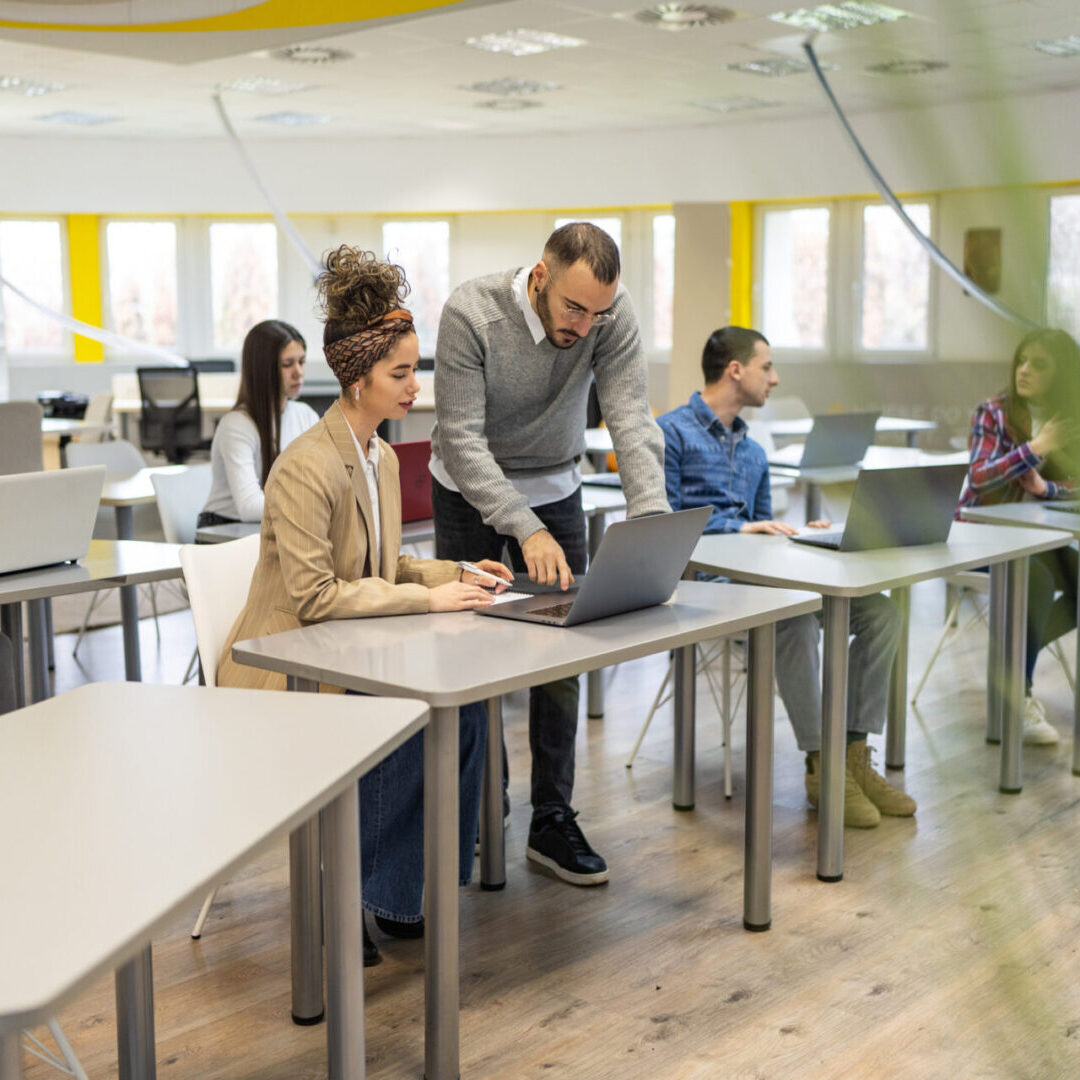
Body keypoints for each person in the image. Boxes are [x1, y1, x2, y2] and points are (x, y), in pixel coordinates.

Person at [217, 246, 512, 965]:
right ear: (356, 379)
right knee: (408, 714)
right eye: (401, 374)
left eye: (416, 370)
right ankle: (352, 893)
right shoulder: (304, 466)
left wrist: (460, 570)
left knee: (465, 709)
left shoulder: (378, 455)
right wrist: (427, 599)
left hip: (345, 651)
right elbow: (316, 596)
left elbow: (387, 564)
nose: (416, 386)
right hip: (282, 666)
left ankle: (406, 888)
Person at [430, 222, 669, 885]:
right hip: (467, 491)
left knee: (560, 654)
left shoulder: (608, 314)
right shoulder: (470, 313)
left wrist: (649, 521)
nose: (585, 326)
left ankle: (551, 818)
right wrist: (522, 525)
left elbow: (630, 416)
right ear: (540, 277)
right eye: (573, 308)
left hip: (556, 483)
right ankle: (484, 808)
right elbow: (462, 439)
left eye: (597, 312)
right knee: (472, 651)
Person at [658, 325, 913, 829]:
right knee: (791, 616)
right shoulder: (669, 433)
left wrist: (798, 534)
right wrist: (737, 525)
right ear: (736, 370)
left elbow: (763, 530)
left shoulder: (753, 453)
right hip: (699, 588)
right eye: (767, 366)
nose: (774, 379)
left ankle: (853, 755)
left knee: (882, 610)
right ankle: (822, 765)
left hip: (756, 582)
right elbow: (657, 525)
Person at [956, 327, 1080, 744]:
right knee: (1038, 581)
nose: (1024, 370)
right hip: (978, 536)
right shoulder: (993, 411)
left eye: (1039, 364)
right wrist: (1037, 447)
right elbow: (978, 478)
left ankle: (1008, 664)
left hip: (1039, 537)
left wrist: (1048, 490)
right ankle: (1017, 696)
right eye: (1022, 360)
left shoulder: (1073, 416)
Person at [199, 319, 319, 527]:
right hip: (225, 530)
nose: (298, 372)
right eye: (287, 364)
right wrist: (311, 504)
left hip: (275, 525)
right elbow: (249, 506)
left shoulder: (306, 415)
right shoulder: (237, 425)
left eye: (301, 361)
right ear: (263, 369)